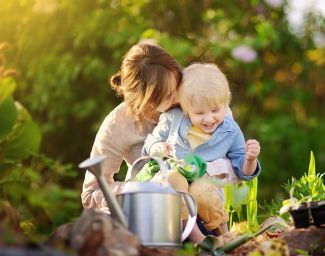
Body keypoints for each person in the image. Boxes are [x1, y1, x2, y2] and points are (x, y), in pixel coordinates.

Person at [81, 43, 237, 245]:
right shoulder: (119, 122)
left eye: (178, 84)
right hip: (153, 222)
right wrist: (139, 191)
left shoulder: (200, 99)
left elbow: (236, 161)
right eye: (168, 94)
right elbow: (91, 192)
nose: (179, 97)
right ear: (143, 99)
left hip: (207, 215)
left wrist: (202, 172)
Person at [142, 63, 262, 242]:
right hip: (173, 177)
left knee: (202, 188)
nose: (208, 118)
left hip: (202, 182)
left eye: (215, 110)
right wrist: (157, 147)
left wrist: (250, 159)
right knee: (175, 178)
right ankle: (192, 236)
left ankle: (224, 236)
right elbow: (150, 142)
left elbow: (242, 171)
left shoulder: (230, 131)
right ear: (185, 107)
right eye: (199, 113)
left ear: (225, 103)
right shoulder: (174, 118)